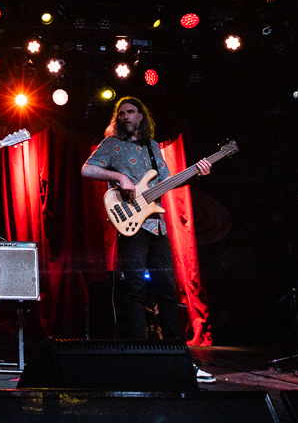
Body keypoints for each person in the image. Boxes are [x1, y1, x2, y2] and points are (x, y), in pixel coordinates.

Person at [80, 97, 215, 382]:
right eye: (122, 113)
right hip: (132, 227)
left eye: (131, 112)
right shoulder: (112, 145)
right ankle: (140, 355)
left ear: (141, 117)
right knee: (134, 292)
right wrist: (119, 177)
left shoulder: (153, 149)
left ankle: (179, 358)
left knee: (167, 291)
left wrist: (197, 172)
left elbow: (169, 181)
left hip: (158, 227)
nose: (126, 116)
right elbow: (87, 169)